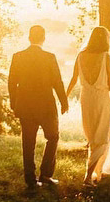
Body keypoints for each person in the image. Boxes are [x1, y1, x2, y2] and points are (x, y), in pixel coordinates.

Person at [8, 25, 69, 190]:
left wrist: (14, 104)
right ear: (43, 38)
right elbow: (57, 81)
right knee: (53, 137)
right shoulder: (49, 57)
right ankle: (46, 174)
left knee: (28, 142)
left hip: (25, 106)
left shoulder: (17, 57)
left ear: (29, 38)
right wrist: (64, 101)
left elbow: (12, 82)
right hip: (46, 106)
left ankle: (30, 180)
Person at [66, 26, 110, 186]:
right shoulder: (105, 56)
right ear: (106, 40)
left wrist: (65, 97)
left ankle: (95, 172)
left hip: (86, 98)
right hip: (101, 98)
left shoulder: (81, 55)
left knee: (93, 137)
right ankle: (88, 177)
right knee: (101, 137)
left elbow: (74, 78)